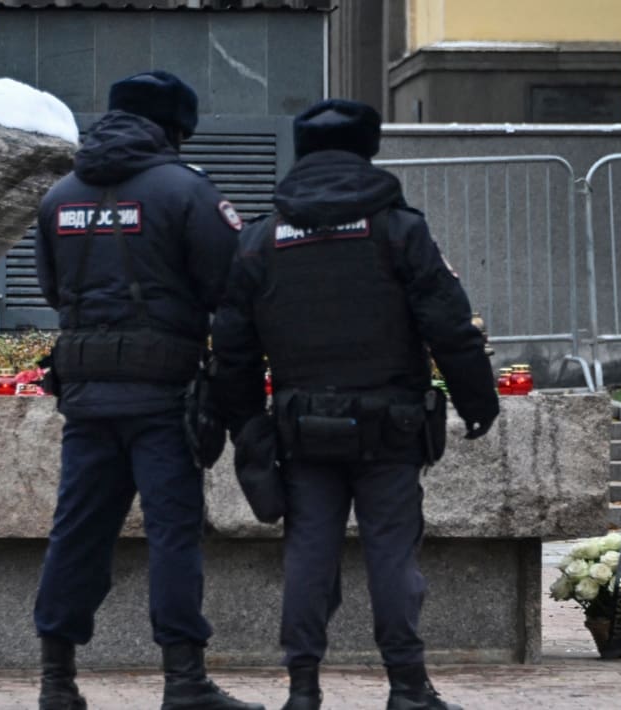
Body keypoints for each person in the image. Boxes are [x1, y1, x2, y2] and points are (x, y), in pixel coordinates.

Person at [210, 99, 499, 710]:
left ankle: (303, 689)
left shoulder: (263, 238)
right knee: (392, 552)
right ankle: (407, 687)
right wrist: (477, 400)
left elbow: (232, 348)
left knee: (309, 549)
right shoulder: (399, 229)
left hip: (301, 429)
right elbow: (449, 324)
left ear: (301, 151)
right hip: (391, 424)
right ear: (369, 150)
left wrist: (247, 427)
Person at [31, 71, 261, 710]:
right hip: (163, 398)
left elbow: (54, 292)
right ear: (176, 128)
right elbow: (229, 289)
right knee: (173, 535)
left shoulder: (59, 196)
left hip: (85, 394)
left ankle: (57, 682)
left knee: (76, 532)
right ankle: (184, 681)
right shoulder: (185, 191)